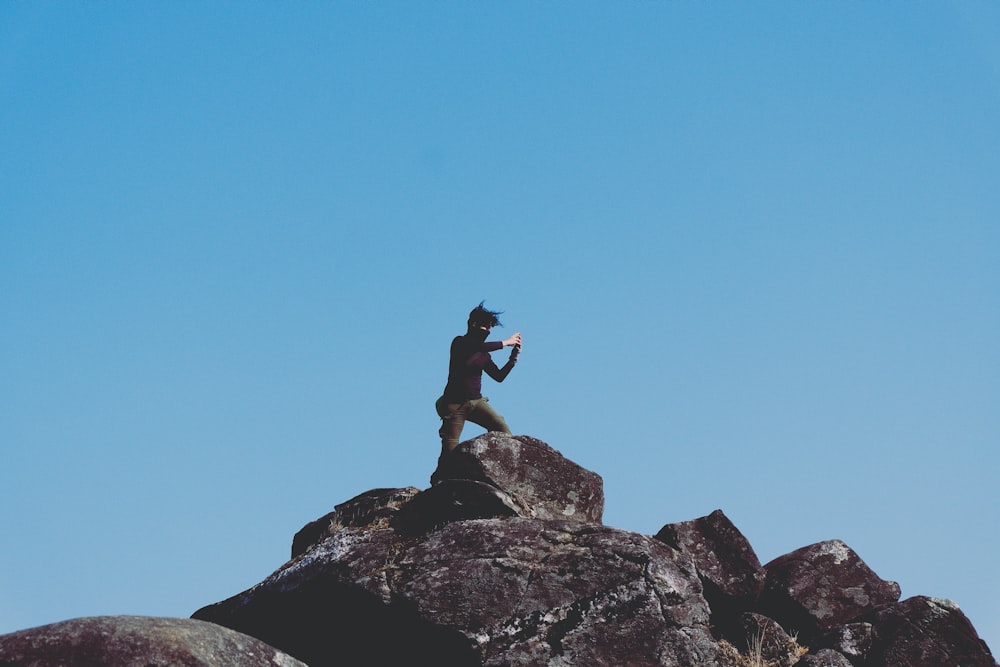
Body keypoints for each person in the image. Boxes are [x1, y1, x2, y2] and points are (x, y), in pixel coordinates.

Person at [435, 302, 522, 455]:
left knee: (502, 428)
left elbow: (499, 376)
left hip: (476, 402)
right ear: (474, 324)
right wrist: (506, 342)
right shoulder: (459, 342)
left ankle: (495, 465)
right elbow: (477, 346)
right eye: (485, 326)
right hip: (455, 404)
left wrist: (512, 359)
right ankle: (442, 478)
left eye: (490, 328)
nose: (487, 330)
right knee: (450, 446)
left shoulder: (484, 354)